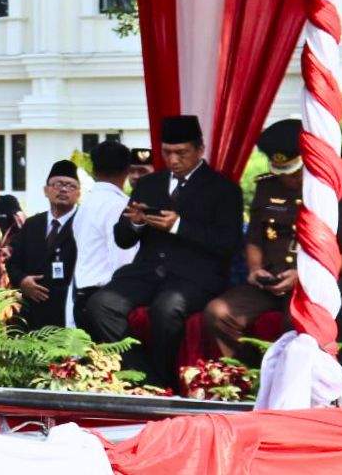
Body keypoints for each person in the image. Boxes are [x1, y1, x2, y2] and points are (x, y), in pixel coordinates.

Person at [83, 115, 243, 388]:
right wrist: (133, 222)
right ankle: (148, 380)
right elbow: (123, 240)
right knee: (99, 305)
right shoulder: (148, 184)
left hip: (195, 275)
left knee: (166, 308)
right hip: (147, 271)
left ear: (200, 150)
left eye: (181, 153)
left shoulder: (223, 188)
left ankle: (163, 380)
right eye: (167, 152)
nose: (173, 160)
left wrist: (179, 225)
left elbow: (227, 243)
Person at [203, 119, 342, 361]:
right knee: (218, 312)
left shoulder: (334, 192)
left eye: (295, 172)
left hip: (316, 282)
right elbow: (255, 238)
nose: (289, 179)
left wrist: (304, 275)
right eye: (283, 173)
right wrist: (255, 269)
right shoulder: (267, 188)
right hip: (273, 278)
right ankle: (248, 376)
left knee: (299, 319)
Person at [72, 140, 139, 333]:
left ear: (93, 169)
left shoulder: (84, 205)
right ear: (127, 169)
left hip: (83, 297)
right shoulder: (120, 205)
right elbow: (123, 259)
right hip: (108, 302)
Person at [6, 161, 80, 330]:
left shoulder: (84, 223)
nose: (63, 189)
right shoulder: (32, 223)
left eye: (70, 186)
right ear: (46, 191)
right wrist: (22, 280)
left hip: (68, 310)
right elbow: (13, 262)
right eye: (58, 184)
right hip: (32, 312)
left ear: (78, 193)